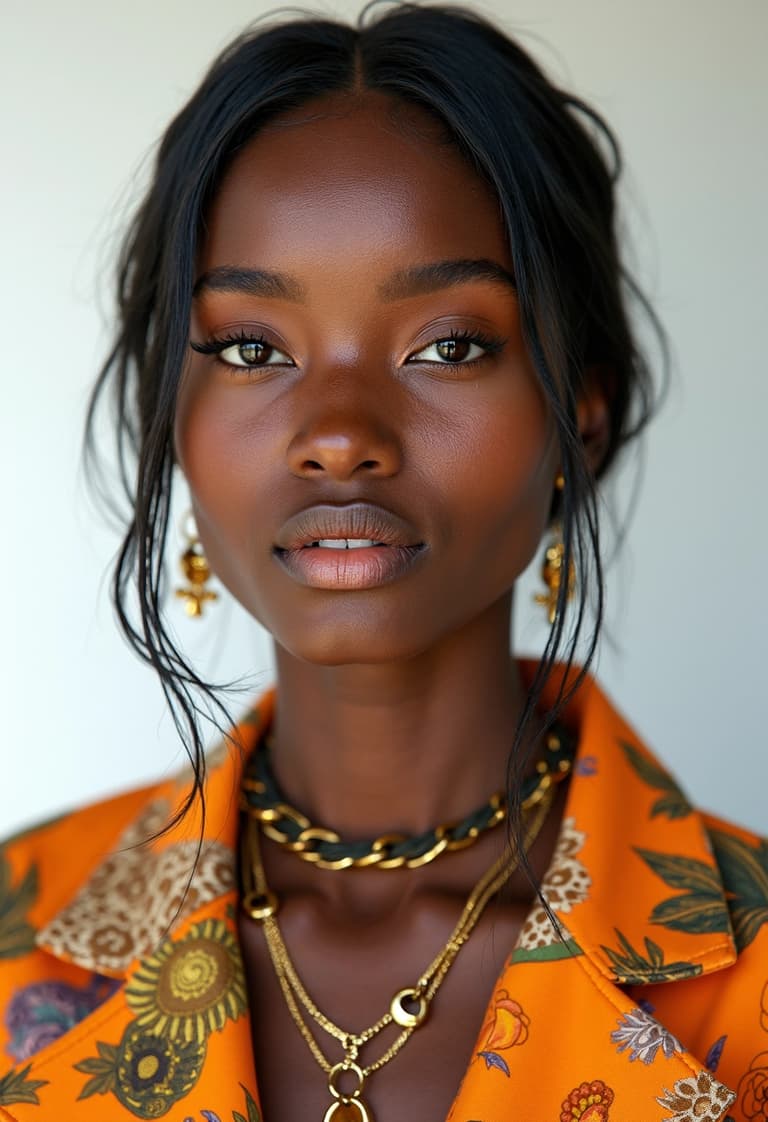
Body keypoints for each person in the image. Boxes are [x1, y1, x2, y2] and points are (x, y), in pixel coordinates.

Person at [0, 6, 765, 1121]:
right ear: (172, 413)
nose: (340, 431)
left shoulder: (746, 978)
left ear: (581, 412)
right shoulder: (17, 945)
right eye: (253, 348)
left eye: (447, 345)